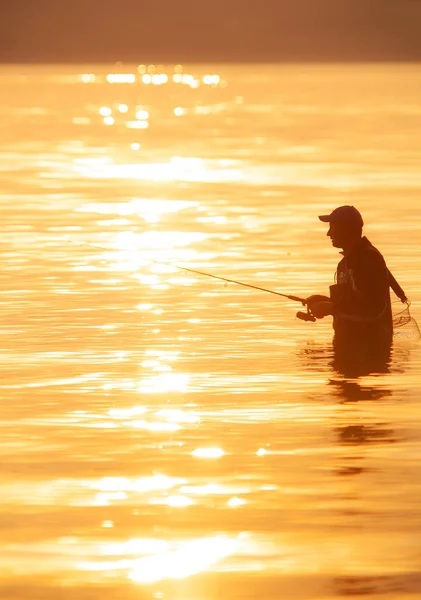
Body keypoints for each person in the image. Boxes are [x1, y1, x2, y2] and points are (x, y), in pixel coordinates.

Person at [306, 206, 404, 352]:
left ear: (346, 229)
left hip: (370, 351)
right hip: (349, 348)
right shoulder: (345, 263)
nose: (328, 233)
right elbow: (354, 301)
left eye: (332, 227)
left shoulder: (369, 259)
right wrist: (325, 302)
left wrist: (331, 307)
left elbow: (372, 308)